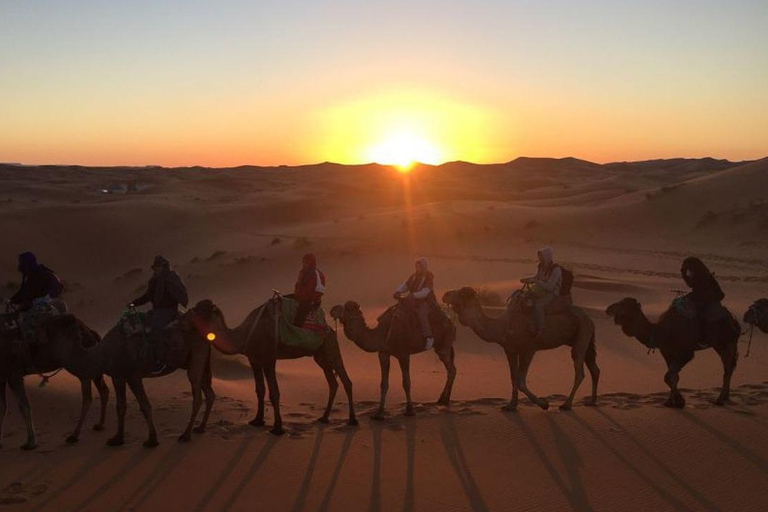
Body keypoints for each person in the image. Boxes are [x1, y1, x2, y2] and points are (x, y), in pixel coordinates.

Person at [129, 256, 188, 371]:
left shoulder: (170, 278)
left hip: (168, 311)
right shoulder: (155, 280)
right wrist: (134, 303)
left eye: (157, 267)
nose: (155, 269)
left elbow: (178, 293)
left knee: (155, 330)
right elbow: (148, 296)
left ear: (163, 266)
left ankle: (162, 359)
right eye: (155, 267)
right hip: (157, 311)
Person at [393, 257, 436, 350]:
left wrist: (413, 296)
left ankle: (429, 337)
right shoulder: (413, 276)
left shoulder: (428, 277)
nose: (418, 269)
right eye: (417, 267)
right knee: (397, 310)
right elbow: (405, 285)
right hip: (412, 300)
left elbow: (426, 291)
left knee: (422, 314)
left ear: (424, 267)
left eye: (419, 267)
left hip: (426, 301)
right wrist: (398, 292)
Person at [521, 247, 562, 339]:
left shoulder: (556, 270)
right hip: (540, 290)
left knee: (538, 305)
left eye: (542, 256)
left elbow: (550, 286)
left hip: (552, 293)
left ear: (547, 257)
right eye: (539, 256)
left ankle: (541, 329)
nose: (540, 258)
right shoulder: (541, 266)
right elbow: (537, 277)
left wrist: (535, 281)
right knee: (522, 298)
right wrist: (528, 279)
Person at [681, 257, 724, 331]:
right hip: (702, 294)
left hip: (711, 295)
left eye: (689, 270)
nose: (688, 273)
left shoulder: (703, 276)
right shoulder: (697, 276)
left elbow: (701, 290)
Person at [293, 253, 326, 328]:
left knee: (299, 317)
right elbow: (298, 285)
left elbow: (320, 290)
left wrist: (312, 300)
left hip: (310, 301)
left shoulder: (317, 274)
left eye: (305, 262)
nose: (304, 264)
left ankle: (297, 330)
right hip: (300, 297)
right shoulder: (303, 272)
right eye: (303, 262)